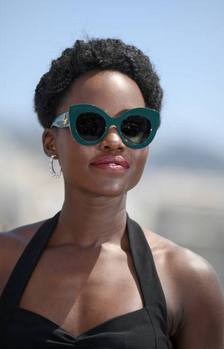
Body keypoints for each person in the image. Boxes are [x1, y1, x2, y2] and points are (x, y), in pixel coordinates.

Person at [0, 38, 223, 349]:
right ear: (51, 142)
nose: (115, 141)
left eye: (133, 126)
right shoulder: (4, 260)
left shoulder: (188, 279)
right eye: (90, 124)